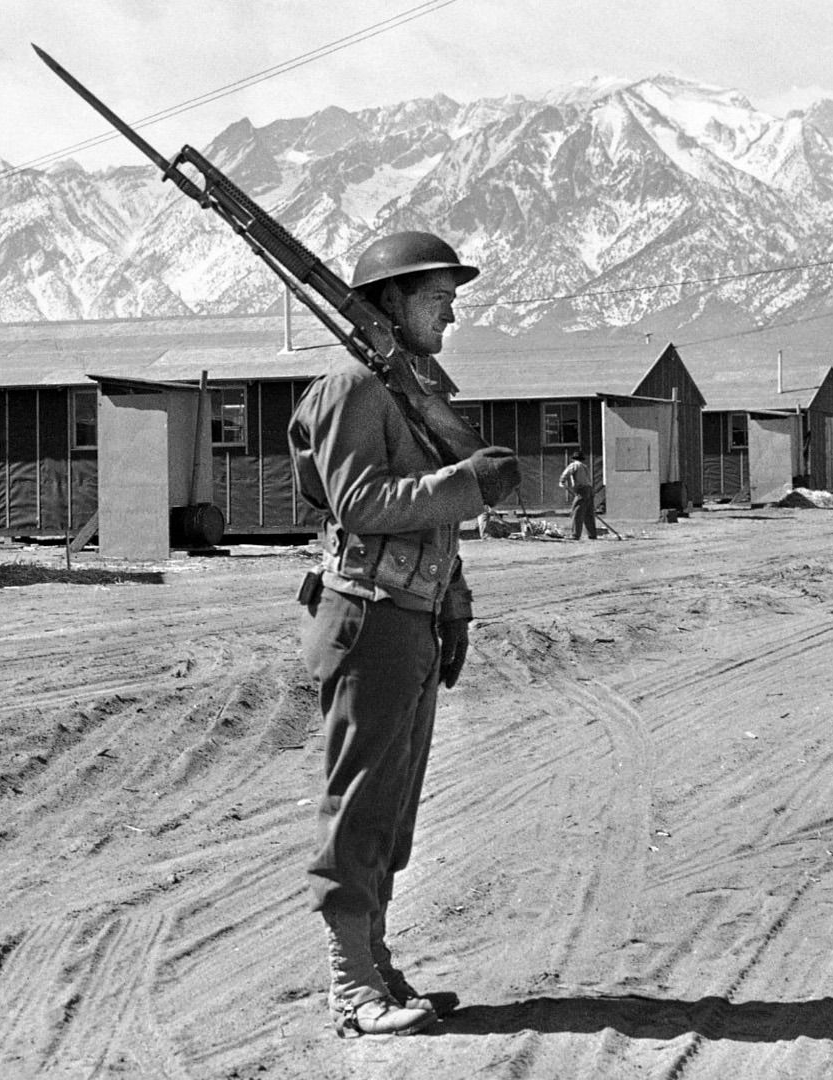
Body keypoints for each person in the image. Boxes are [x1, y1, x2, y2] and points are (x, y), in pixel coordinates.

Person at [287, 231, 520, 1038]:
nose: (450, 313)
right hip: (368, 618)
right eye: (435, 297)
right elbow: (361, 505)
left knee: (391, 810)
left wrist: (453, 599)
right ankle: (352, 987)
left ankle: (378, 967)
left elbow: (428, 527)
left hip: (411, 617)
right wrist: (466, 485)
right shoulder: (357, 385)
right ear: (387, 302)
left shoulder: (411, 384)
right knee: (357, 808)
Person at [558, 450, 598, 540]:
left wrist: (562, 481)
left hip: (581, 490)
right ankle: (592, 534)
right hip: (589, 489)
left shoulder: (574, 465)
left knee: (577, 512)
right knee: (589, 513)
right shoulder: (584, 466)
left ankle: (575, 534)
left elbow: (566, 473)